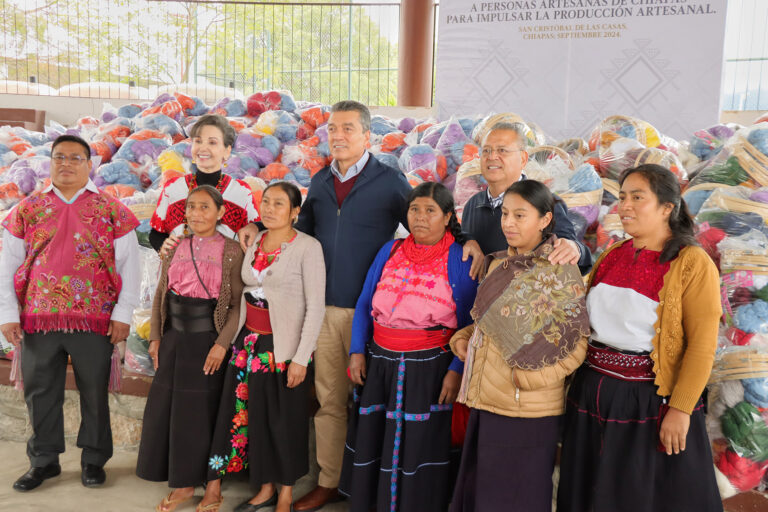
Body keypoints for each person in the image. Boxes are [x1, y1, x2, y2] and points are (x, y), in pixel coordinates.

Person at [238, 100, 425, 511]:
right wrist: (255, 224)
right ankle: (330, 480)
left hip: (373, 315)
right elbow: (297, 233)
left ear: (366, 135)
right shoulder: (320, 181)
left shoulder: (390, 181)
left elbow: (424, 224)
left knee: (378, 401)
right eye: (332, 129)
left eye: (347, 129)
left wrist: (466, 244)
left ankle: (377, 483)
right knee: (329, 400)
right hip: (321, 311)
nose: (337, 136)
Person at [557, 164, 723, 512]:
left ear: (667, 207)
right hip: (592, 391)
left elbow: (702, 345)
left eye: (637, 197)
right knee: (588, 492)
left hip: (648, 401)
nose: (625, 206)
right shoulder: (613, 254)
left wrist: (681, 408)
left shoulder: (692, 263)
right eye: (621, 197)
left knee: (637, 495)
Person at [0, 134, 140, 491]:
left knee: (95, 392)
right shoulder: (27, 210)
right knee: (40, 392)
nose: (66, 164)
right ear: (49, 163)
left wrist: (123, 315)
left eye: (75, 158)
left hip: (95, 319)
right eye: (59, 157)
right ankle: (43, 462)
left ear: (89, 165)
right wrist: (7, 314)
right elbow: (8, 265)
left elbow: (130, 267)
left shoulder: (113, 211)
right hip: (37, 317)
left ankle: (94, 460)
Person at [449, 180, 589, 511]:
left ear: (545, 220)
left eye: (520, 215)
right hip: (487, 401)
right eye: (506, 214)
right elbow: (496, 323)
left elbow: (576, 344)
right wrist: (467, 337)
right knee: (484, 494)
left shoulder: (557, 269)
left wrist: (526, 380)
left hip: (526, 411)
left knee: (517, 498)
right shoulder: (500, 263)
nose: (508, 223)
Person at [339, 182, 477, 512]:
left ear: (447, 217)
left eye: (430, 210)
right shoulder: (390, 251)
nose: (420, 217)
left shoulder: (461, 259)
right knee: (376, 438)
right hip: (380, 363)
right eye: (415, 209)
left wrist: (456, 371)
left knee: (419, 445)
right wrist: (357, 350)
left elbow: (471, 323)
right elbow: (363, 304)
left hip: (429, 369)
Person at [200, 182, 325, 512]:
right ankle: (265, 487)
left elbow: (316, 307)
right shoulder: (253, 240)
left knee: (283, 421)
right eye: (265, 202)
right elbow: (244, 292)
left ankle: (285, 493)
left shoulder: (308, 248)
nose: (269, 209)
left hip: (282, 349)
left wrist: (300, 358)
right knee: (249, 417)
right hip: (248, 344)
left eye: (279, 204)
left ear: (295, 212)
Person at [136, 185, 244, 512]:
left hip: (208, 339)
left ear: (221, 213)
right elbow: (160, 295)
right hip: (174, 339)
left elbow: (238, 305)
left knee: (209, 414)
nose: (196, 214)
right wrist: (156, 337)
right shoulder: (174, 247)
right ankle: (183, 484)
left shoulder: (231, 251)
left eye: (205, 208)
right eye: (192, 207)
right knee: (174, 412)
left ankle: (213, 487)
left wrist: (221, 344)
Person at [461, 122, 592, 275]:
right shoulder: (473, 204)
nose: (492, 157)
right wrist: (466, 239)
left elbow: (571, 250)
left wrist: (575, 248)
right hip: (482, 297)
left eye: (502, 150)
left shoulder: (545, 202)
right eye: (486, 151)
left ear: (523, 159)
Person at [150, 113, 259, 254]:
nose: (203, 148)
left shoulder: (241, 192)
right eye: (198, 141)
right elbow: (156, 233)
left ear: (227, 151)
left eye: (212, 142)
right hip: (179, 273)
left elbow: (256, 234)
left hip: (224, 274)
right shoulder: (173, 187)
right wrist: (163, 246)